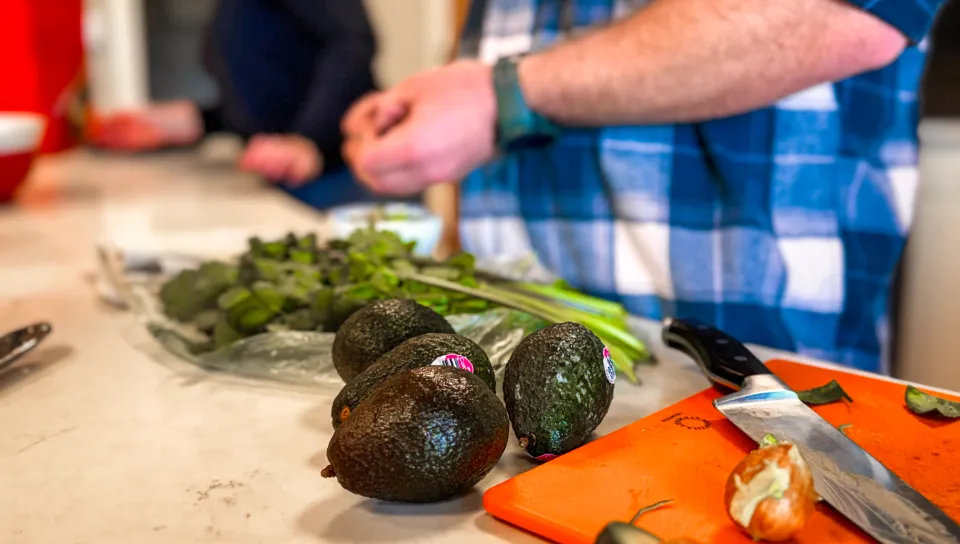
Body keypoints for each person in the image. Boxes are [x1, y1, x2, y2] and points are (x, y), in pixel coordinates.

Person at [341, 0, 945, 374]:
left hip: (746, 345)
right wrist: (445, 104)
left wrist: (502, 96)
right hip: (509, 335)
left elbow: (850, 13)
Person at [91, 0, 382, 208]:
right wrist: (198, 121)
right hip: (294, 183)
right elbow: (274, 85)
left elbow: (351, 43)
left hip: (345, 176)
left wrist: (308, 140)